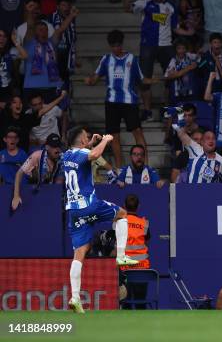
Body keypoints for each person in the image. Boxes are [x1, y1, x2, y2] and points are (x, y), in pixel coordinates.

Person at [61, 127, 139, 313]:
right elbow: (94, 154)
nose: (88, 138)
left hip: (73, 211)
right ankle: (120, 256)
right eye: (86, 137)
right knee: (122, 214)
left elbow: (83, 152)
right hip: (88, 204)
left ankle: (75, 297)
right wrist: (106, 140)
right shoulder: (84, 153)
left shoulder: (66, 155)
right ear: (81, 141)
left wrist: (91, 143)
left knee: (80, 252)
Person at [85, 30, 151, 167]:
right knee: (113, 136)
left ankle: (146, 167)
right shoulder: (106, 59)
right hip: (112, 102)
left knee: (138, 132)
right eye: (113, 46)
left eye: (118, 45)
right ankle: (119, 169)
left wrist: (158, 79)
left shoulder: (132, 59)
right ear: (110, 46)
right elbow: (95, 78)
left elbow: (142, 79)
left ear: (122, 44)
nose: (116, 48)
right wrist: (89, 81)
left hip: (130, 102)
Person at [124, 0, 182, 121]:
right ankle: (147, 111)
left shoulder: (171, 6)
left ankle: (168, 110)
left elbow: (176, 28)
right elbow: (127, 8)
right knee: (144, 80)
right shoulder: (145, 3)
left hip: (167, 45)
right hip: (148, 45)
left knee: (171, 79)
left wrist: (190, 32)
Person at [11, 133, 64, 210]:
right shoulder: (36, 156)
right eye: (54, 147)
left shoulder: (63, 159)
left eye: (58, 146)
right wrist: (16, 196)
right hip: (35, 190)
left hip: (52, 192)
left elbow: (59, 183)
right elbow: (19, 174)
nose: (57, 149)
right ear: (47, 147)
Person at [0, 91, 66, 153]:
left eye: (20, 102)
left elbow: (42, 112)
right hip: (6, 153)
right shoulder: (4, 118)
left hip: (23, 154)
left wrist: (61, 97)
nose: (18, 104)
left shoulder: (27, 118)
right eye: (14, 102)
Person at [119, 194, 151, 309]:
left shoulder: (119, 223)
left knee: (125, 303)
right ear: (138, 206)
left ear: (124, 206)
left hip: (124, 270)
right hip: (142, 269)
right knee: (140, 302)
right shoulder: (144, 223)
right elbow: (147, 242)